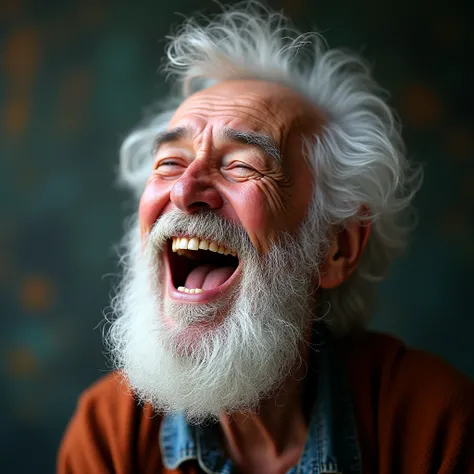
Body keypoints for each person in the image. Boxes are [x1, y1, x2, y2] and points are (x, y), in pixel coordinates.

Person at [58, 3, 473, 473]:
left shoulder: (436, 424)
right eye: (170, 162)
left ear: (336, 248)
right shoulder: (108, 432)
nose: (185, 189)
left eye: (242, 165)